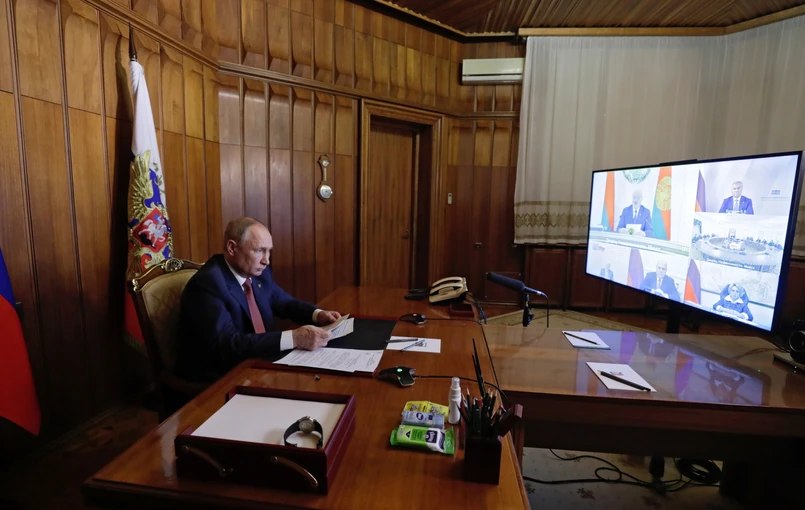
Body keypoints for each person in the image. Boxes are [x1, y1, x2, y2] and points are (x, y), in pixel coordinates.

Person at [176, 217, 342, 382]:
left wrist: (317, 314)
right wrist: (294, 338)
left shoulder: (258, 272)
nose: (266, 260)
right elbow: (227, 344)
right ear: (232, 248)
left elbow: (284, 302)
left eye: (269, 251)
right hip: (221, 377)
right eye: (259, 251)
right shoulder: (208, 283)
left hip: (259, 362)